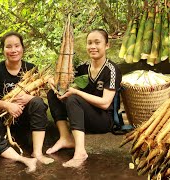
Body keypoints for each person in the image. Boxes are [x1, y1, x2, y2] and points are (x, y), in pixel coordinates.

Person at [46, 29, 122, 168]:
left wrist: (76, 92)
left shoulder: (111, 70)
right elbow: (62, 80)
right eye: (89, 43)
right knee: (53, 93)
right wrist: (52, 80)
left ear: (107, 45)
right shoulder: (83, 67)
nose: (92, 46)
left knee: (73, 98)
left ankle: (80, 152)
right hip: (84, 117)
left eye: (97, 43)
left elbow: (105, 104)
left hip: (103, 120)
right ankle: (65, 138)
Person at [0, 31, 54, 172]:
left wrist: (29, 98)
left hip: (24, 118)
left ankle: (37, 153)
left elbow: (40, 100)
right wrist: (7, 105)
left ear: (22, 48)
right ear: (3, 50)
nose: (13, 50)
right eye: (8, 47)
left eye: (17, 46)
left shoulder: (31, 68)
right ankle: (24, 160)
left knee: (37, 102)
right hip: (2, 118)